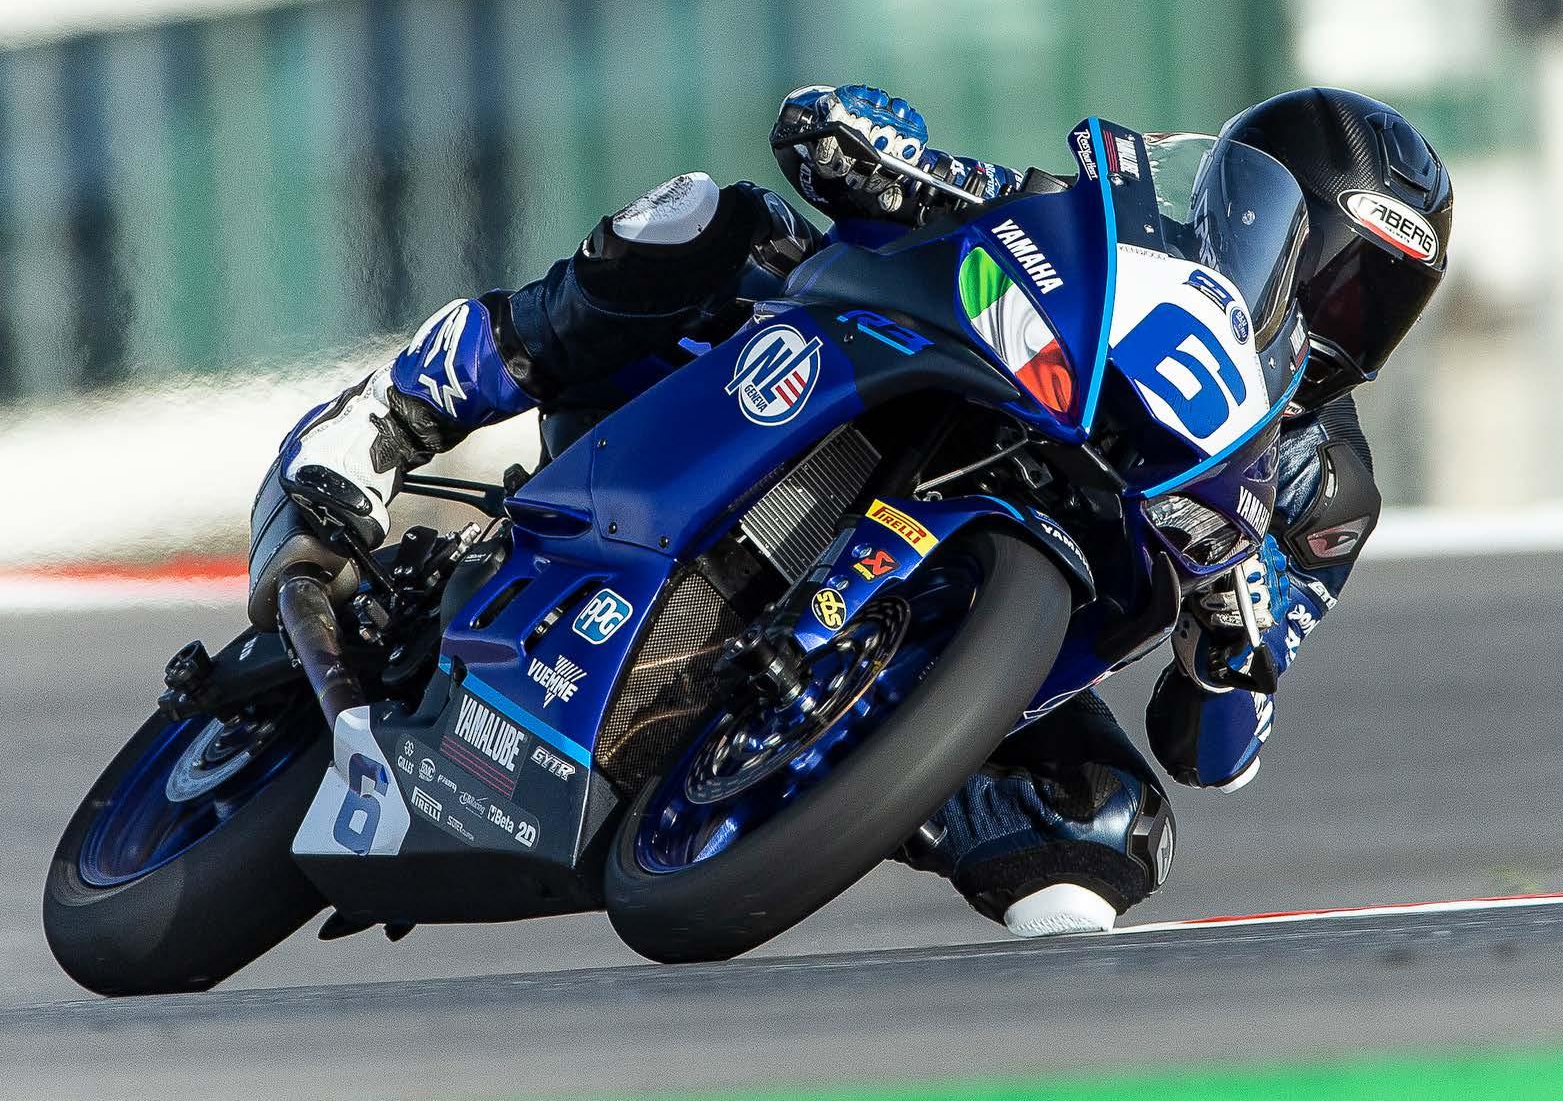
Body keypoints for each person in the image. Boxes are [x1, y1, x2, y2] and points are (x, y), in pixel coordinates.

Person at [249, 83, 1453, 938]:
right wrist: (874, 151)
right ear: (1246, 214)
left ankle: (847, 832)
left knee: (1109, 831)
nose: (1334, 316)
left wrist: (1236, 642)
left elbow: (1212, 749)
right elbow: (889, 173)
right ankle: (394, 413)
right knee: (714, 222)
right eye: (1326, 269)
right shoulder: (1113, 237)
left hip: (972, 631)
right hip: (794, 417)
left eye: (1372, 301)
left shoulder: (1323, 495)